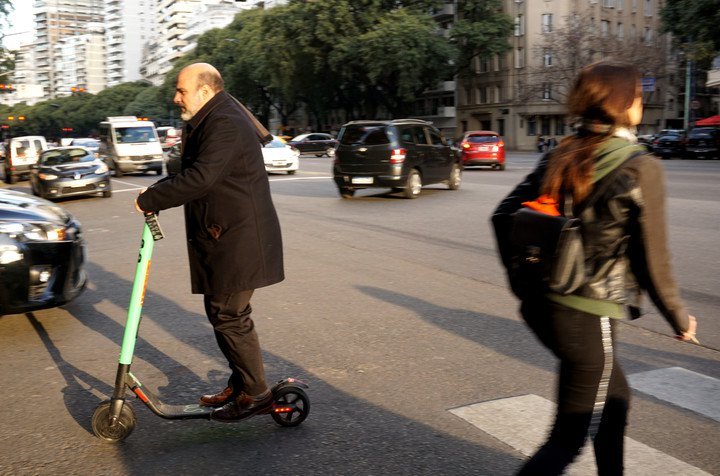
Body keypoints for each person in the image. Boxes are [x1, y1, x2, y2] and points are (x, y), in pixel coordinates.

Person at [491, 60, 698, 475]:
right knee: (567, 440)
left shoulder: (564, 152)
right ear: (625, 104)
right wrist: (679, 316)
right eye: (638, 94)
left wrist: (524, 277)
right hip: (587, 316)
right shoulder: (640, 166)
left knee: (615, 400)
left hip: (542, 307)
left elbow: (503, 216)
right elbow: (653, 258)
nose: (642, 100)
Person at [135, 63, 284, 422]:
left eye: (181, 90)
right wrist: (159, 187)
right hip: (227, 234)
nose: (175, 97)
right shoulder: (216, 116)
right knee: (222, 312)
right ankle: (242, 383)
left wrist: (150, 199)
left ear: (205, 91)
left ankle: (256, 394)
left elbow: (201, 177)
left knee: (229, 315)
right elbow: (194, 166)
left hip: (239, 238)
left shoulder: (225, 122)